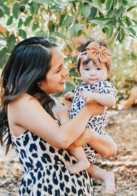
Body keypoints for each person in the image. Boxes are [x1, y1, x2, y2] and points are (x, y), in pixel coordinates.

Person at [0, 37, 117, 196]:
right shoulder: (20, 103)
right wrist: (88, 111)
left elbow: (111, 149)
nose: (66, 72)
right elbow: (62, 139)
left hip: (79, 188)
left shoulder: (65, 103)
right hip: (47, 189)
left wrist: (89, 135)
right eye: (57, 69)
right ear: (37, 77)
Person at [64, 39, 116, 194]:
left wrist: (94, 96)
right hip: (81, 126)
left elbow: (111, 101)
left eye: (98, 68)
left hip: (90, 128)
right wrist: (75, 97)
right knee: (88, 167)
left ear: (107, 71)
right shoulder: (81, 87)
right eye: (87, 69)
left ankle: (82, 161)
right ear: (80, 72)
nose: (93, 73)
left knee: (69, 139)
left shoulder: (103, 86)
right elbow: (82, 102)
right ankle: (106, 176)